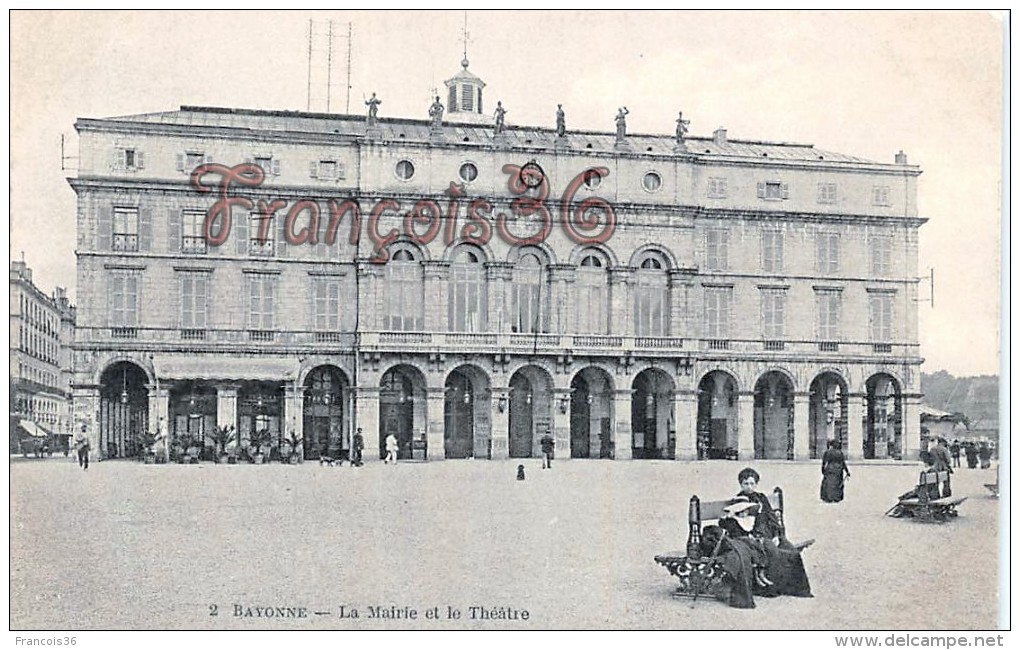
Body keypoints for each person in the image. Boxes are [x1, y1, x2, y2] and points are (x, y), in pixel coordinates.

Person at [706, 467, 812, 608]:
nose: (749, 487)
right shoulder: (738, 500)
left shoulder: (761, 498)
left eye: (752, 483)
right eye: (745, 484)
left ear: (756, 484)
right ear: (741, 484)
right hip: (746, 536)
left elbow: (771, 518)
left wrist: (776, 535)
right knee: (761, 549)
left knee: (782, 550)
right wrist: (730, 517)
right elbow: (731, 524)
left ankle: (775, 585)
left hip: (765, 533)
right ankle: (760, 582)